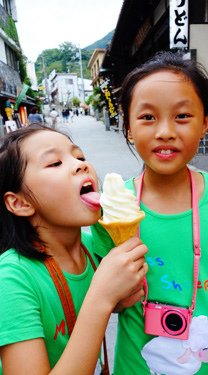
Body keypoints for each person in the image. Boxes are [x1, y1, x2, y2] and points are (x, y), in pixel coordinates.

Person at [91, 51, 208, 374]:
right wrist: (118, 300)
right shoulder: (112, 205)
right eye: (148, 117)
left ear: (205, 122)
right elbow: (100, 288)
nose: (165, 131)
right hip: (137, 363)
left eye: (182, 116)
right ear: (129, 127)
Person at [0, 124, 148, 374]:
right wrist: (101, 296)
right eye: (55, 163)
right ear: (19, 202)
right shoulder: (12, 280)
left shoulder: (92, 248)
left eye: (79, 156)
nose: (81, 165)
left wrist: (117, 300)